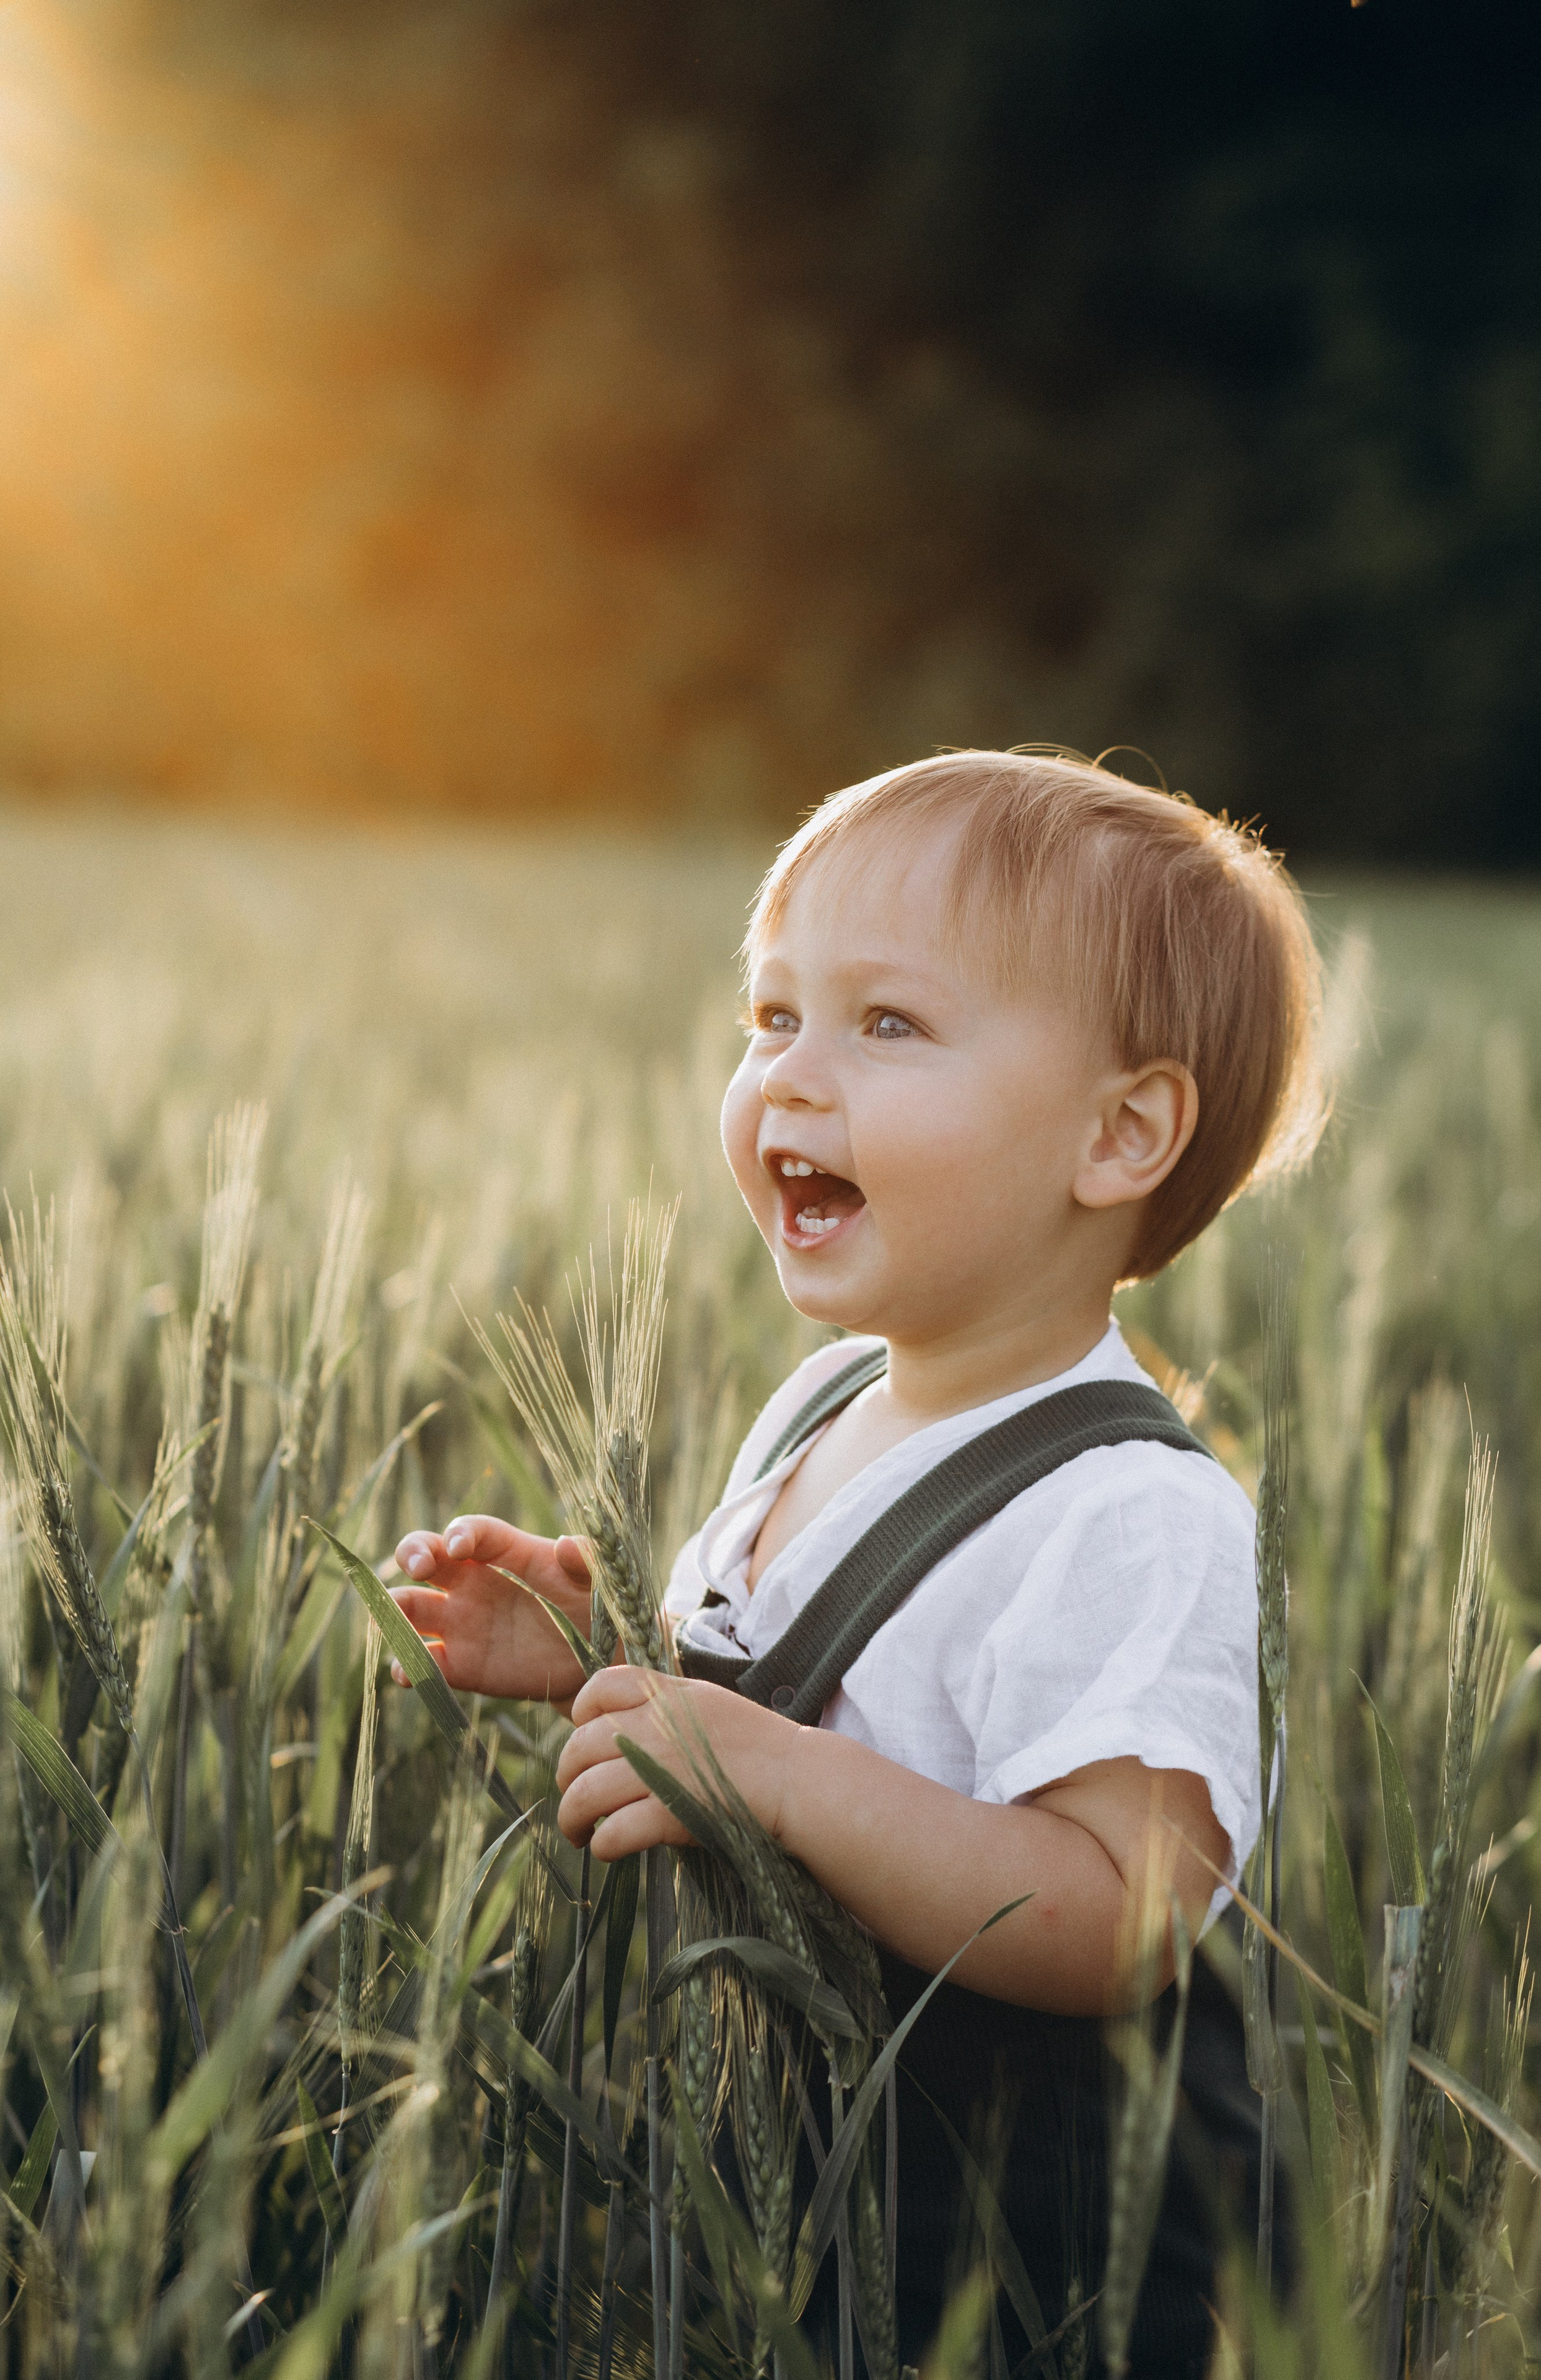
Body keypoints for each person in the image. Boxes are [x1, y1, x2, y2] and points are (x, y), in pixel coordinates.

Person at [389, 749, 1325, 2373]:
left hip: (1026, 2270)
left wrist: (761, 1773)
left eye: (885, 1025)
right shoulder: (824, 1400)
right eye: (772, 1018)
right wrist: (599, 1649)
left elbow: (1119, 1919)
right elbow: (790, 1701)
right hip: (807, 2198)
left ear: (1121, 1135)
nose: (794, 1079)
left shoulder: (1129, 1513)